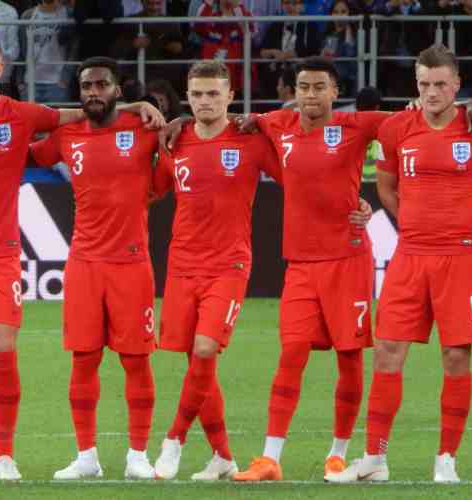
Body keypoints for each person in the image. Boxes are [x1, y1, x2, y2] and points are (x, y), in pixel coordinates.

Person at [0, 36, 162, 482]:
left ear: (0, 66)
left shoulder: (24, 114)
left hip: (1, 252)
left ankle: (4, 454)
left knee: (3, 348)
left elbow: (82, 113)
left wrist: (136, 106)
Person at [328, 43, 472, 484]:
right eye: (424, 84)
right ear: (416, 84)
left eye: (441, 84)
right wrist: (410, 221)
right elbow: (386, 187)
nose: (432, 92)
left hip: (459, 259)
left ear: (457, 85)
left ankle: (446, 459)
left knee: (455, 356)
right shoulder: (396, 129)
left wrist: (468, 233)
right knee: (388, 351)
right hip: (410, 255)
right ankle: (374, 458)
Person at [230, 57, 390, 482]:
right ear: (293, 91)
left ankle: (338, 454)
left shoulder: (356, 125)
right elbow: (245, 121)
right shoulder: (278, 123)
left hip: (348, 259)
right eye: (303, 87)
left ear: (335, 93)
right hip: (300, 261)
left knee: (349, 356)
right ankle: (270, 458)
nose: (310, 95)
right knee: (292, 352)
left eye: (320, 87)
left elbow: (412, 127)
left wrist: (371, 203)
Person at [28, 56, 164, 481]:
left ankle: (137, 455)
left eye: (102, 85)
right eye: (87, 86)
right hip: (85, 263)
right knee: (83, 361)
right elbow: (21, 153)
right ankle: (86, 455)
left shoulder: (144, 128)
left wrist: (147, 110)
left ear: (117, 90)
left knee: (135, 362)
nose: (93, 93)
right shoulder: (66, 134)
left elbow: (177, 160)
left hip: (131, 263)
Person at [148, 60, 284, 481]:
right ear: (187, 98)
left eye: (213, 94)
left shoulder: (250, 141)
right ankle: (223, 457)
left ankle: (173, 441)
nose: (205, 101)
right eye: (197, 94)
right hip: (182, 264)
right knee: (196, 362)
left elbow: (298, 180)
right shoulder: (175, 141)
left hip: (229, 263)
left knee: (205, 351)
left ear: (229, 96)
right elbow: (149, 191)